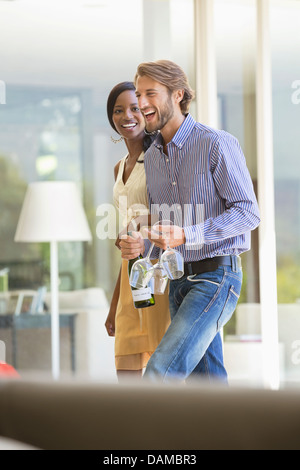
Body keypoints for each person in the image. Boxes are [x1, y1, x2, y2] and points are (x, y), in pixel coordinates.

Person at [119, 60, 260, 383]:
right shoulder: (152, 157)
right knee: (206, 386)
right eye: (139, 94)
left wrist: (187, 234)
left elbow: (248, 212)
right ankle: (226, 435)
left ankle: (130, 434)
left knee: (159, 372)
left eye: (150, 93)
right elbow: (163, 225)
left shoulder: (215, 144)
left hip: (217, 277)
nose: (140, 103)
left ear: (178, 94)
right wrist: (142, 243)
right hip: (178, 281)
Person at [105, 81, 170, 382]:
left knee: (164, 374)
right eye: (118, 110)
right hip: (131, 275)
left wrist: (139, 229)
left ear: (145, 112)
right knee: (126, 378)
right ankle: (132, 431)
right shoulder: (118, 168)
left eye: (134, 108)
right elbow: (125, 245)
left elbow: (171, 213)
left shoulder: (161, 157)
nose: (126, 116)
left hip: (159, 274)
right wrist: (114, 303)